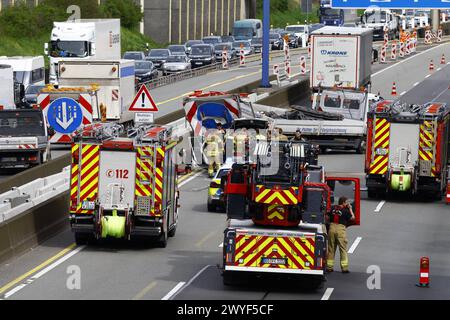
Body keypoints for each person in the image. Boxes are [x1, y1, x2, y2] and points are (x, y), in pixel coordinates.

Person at [326, 196, 355, 273]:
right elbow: (353, 218)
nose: (348, 203)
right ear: (343, 203)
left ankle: (329, 267)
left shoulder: (333, 208)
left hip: (331, 228)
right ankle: (344, 268)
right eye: (347, 202)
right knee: (342, 248)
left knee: (331, 248)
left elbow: (327, 217)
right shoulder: (346, 211)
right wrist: (350, 209)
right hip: (340, 229)